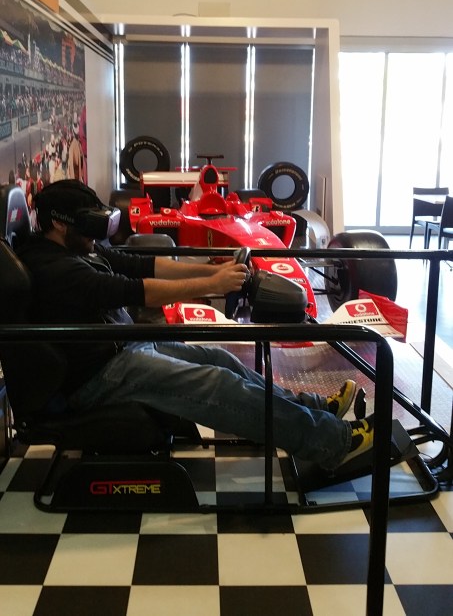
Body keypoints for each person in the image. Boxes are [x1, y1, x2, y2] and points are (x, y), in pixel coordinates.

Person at [18, 179, 374, 471]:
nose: (95, 234)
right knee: (217, 383)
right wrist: (211, 285)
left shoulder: (79, 248)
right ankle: (334, 444)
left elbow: (144, 266)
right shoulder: (56, 269)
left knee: (220, 360)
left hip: (119, 347)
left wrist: (211, 270)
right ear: (59, 223)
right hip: (97, 375)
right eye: (87, 224)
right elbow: (136, 290)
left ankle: (312, 408)